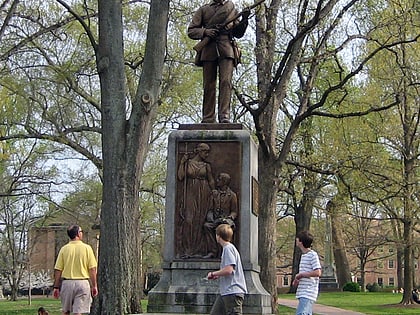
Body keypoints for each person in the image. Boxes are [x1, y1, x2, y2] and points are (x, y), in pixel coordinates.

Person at [188, 0, 250, 123]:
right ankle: (208, 117)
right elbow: (191, 31)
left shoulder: (231, 8)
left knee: (226, 82)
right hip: (208, 48)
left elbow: (238, 33)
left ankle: (224, 116)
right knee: (209, 85)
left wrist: (244, 18)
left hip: (226, 49)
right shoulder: (204, 9)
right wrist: (205, 32)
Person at [177, 143, 215, 258]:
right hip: (190, 192)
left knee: (200, 220)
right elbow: (180, 177)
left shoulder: (206, 165)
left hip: (204, 193)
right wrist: (182, 162)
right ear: (199, 151)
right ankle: (188, 249)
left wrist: (214, 192)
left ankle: (200, 250)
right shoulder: (188, 163)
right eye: (205, 152)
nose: (207, 154)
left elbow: (211, 180)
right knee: (188, 220)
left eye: (208, 152)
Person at [53, 225, 98, 315]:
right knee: (78, 312)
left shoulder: (64, 249)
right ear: (78, 234)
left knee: (66, 311)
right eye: (81, 232)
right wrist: (94, 285)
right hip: (82, 283)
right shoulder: (87, 248)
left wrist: (56, 287)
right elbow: (92, 269)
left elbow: (58, 269)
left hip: (67, 283)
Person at [207, 224, 247, 315]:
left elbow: (229, 270)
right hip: (226, 292)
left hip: (233, 292)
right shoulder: (228, 248)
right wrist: (218, 274)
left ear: (218, 236)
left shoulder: (228, 249)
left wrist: (213, 274)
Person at [203, 172, 238, 258]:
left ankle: (225, 252)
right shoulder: (214, 194)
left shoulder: (232, 195)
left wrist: (230, 217)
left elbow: (234, 211)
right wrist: (210, 217)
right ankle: (212, 251)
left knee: (225, 229)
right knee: (207, 226)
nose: (217, 181)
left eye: (219, 179)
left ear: (224, 181)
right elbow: (210, 209)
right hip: (215, 220)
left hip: (226, 221)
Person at [292, 231, 322, 315]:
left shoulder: (313, 255)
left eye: (297, 239)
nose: (296, 240)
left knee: (301, 313)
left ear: (301, 241)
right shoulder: (304, 256)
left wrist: (301, 275)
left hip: (309, 292)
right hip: (302, 292)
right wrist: (297, 278)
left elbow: (318, 272)